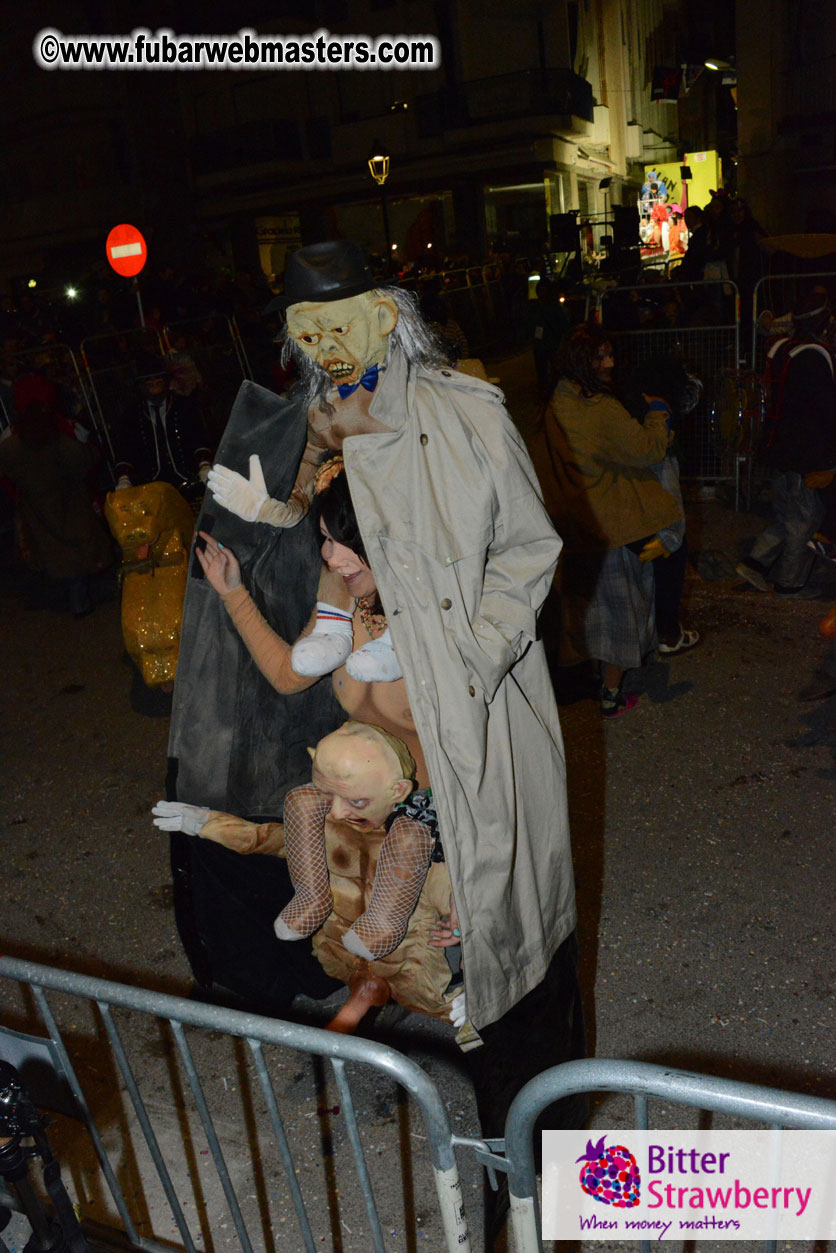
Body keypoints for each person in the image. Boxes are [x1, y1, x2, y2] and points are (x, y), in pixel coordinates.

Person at [534, 323, 682, 715]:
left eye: (610, 354)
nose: (610, 363)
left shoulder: (557, 401)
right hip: (612, 528)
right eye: (601, 356)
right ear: (584, 360)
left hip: (574, 524)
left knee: (588, 612)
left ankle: (589, 682)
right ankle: (611, 696)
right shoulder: (598, 407)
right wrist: (658, 413)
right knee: (620, 615)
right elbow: (648, 451)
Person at [737, 293, 836, 595]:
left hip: (775, 449)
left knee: (787, 515)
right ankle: (789, 584)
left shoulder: (781, 349)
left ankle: (755, 563)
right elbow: (824, 413)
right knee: (804, 522)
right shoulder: (815, 356)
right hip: (804, 455)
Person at [0, 399, 113, 615]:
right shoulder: (60, 442)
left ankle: (70, 601)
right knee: (75, 556)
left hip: (38, 512)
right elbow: (85, 459)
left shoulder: (11, 446)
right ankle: (81, 602)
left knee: (57, 558)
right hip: (69, 505)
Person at [112, 355, 212, 490]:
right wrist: (124, 478)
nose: (155, 388)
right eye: (150, 384)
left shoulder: (184, 405)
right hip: (152, 486)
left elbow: (198, 435)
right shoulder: (134, 414)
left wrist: (204, 464)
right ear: (142, 386)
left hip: (190, 478)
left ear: (166, 382)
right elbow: (126, 447)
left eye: (159, 382)